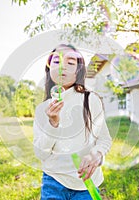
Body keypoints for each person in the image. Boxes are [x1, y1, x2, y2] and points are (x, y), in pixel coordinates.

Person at [33, 44, 112, 200]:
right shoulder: (42, 109)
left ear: (78, 71)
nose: (63, 66)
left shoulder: (91, 100)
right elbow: (41, 153)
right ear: (49, 70)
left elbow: (104, 139)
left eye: (70, 62)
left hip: (86, 182)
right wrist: (53, 124)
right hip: (53, 181)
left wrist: (96, 154)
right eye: (56, 61)